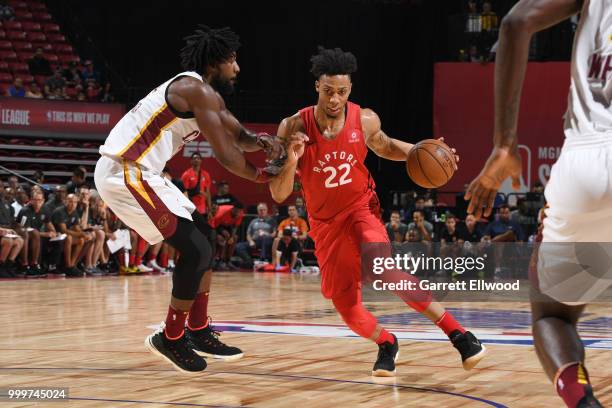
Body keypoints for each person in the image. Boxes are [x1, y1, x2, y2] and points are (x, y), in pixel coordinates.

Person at [270, 46, 486, 377]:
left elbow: (385, 146)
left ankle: (460, 335)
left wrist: (425, 151)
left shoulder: (365, 119)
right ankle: (387, 343)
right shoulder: (293, 126)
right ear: (317, 86)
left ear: (350, 89)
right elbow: (279, 192)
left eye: (342, 91)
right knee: (348, 308)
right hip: (325, 223)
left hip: (360, 208)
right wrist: (293, 160)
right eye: (328, 91)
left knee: (382, 268)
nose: (334, 99)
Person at [94, 25, 285, 373]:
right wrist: (263, 177)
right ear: (217, 61)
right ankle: (170, 335)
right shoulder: (194, 89)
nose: (238, 68)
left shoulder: (206, 95)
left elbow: (239, 136)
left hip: (146, 173)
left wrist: (262, 141)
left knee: (207, 239)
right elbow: (228, 156)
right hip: (124, 170)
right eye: (233, 61)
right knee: (195, 249)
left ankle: (197, 330)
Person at [464, 1, 607, 406]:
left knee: (553, 316)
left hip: (588, 161)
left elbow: (515, 23)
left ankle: (584, 402)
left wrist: (505, 144)